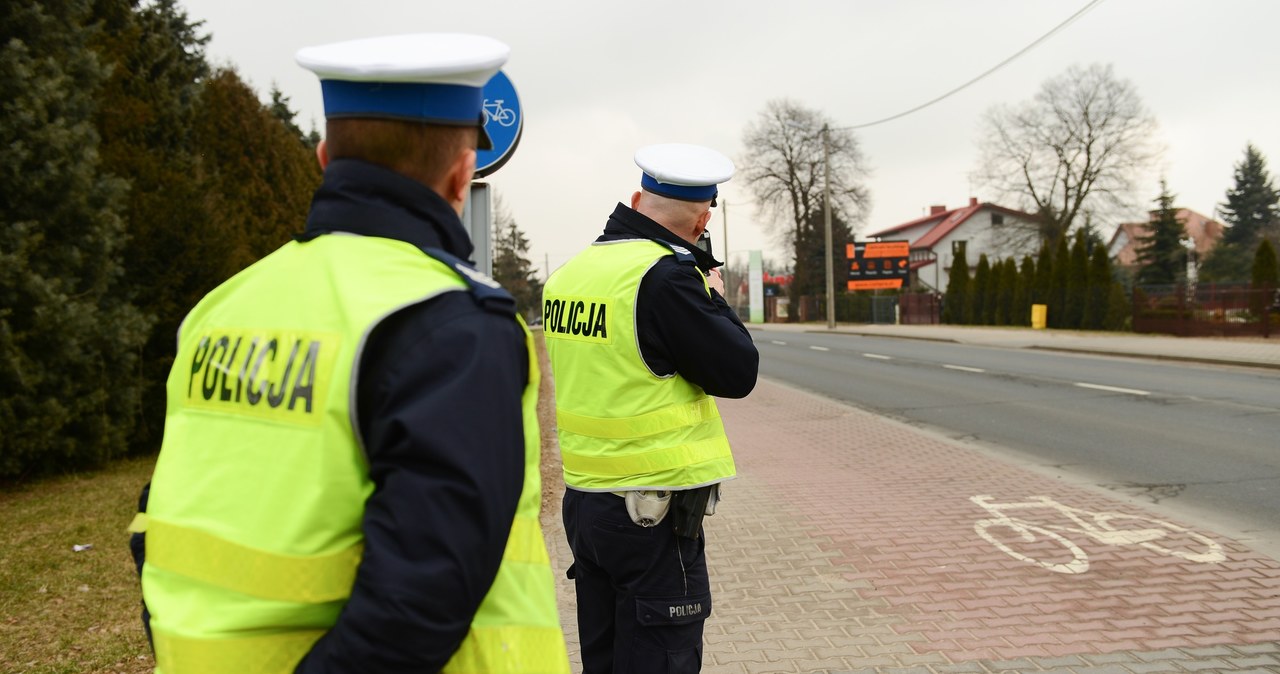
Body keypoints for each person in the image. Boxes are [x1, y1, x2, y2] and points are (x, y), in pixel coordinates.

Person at [127, 33, 568, 674]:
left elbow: (162, 519)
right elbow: (422, 595)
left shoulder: (222, 307)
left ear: (325, 155)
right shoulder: (449, 322)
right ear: (461, 171)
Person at [542, 143, 760, 673]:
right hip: (651, 512)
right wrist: (712, 295)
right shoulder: (665, 278)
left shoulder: (573, 274)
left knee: (606, 656)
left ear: (638, 198)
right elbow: (738, 372)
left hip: (587, 503)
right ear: (704, 217)